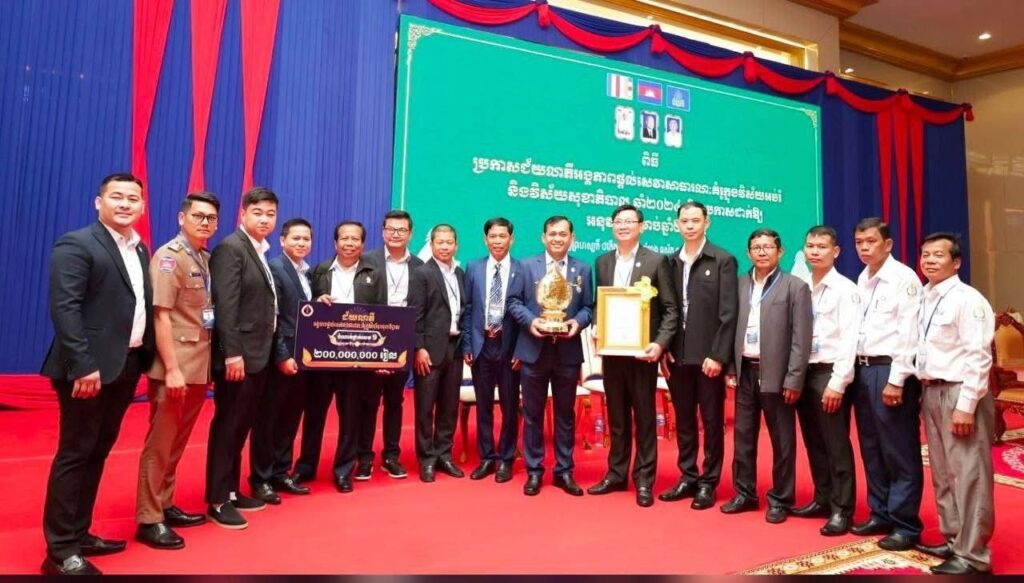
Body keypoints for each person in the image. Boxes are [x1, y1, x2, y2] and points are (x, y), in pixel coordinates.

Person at [40, 173, 155, 575]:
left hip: (124, 365)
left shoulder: (139, 249)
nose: (125, 204)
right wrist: (83, 364)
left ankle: (79, 533)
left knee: (98, 451)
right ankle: (60, 551)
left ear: (142, 206)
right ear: (98, 202)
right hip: (86, 370)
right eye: (117, 197)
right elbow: (65, 308)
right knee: (76, 453)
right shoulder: (77, 243)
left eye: (133, 198)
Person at [135, 192, 220, 550]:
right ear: (181, 218)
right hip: (176, 365)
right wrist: (171, 368)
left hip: (198, 363)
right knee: (160, 444)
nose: (205, 222)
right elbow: (161, 316)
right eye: (198, 216)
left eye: (211, 218)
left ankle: (164, 503)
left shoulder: (204, 257)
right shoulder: (170, 257)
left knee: (177, 442)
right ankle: (148, 518)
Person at [914, 233, 995, 575]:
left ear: (956, 262)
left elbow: (978, 356)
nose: (930, 260)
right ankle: (954, 540)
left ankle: (973, 555)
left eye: (938, 255)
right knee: (944, 471)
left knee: (969, 473)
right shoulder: (926, 295)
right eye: (925, 254)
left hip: (960, 391)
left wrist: (967, 404)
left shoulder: (968, 299)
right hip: (932, 391)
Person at [588, 205, 678, 507]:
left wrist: (660, 344)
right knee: (617, 417)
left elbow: (670, 309)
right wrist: (598, 325)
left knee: (644, 417)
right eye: (618, 221)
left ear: (642, 226)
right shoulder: (602, 262)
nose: (623, 226)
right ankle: (616, 474)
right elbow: (599, 304)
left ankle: (644, 480)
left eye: (629, 221)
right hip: (613, 353)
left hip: (642, 354)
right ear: (612, 226)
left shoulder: (656, 261)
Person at [722, 229, 812, 524]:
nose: (762, 252)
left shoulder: (795, 287)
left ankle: (781, 499)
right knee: (743, 437)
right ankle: (744, 493)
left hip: (778, 373)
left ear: (780, 251)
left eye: (768, 247)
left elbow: (801, 339)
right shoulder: (738, 284)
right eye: (756, 248)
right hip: (745, 370)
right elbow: (730, 329)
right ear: (748, 253)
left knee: (782, 440)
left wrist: (794, 379)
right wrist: (731, 368)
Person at [848, 217, 924, 551]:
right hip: (864, 369)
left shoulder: (903, 279)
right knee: (871, 446)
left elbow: (909, 334)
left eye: (871, 242)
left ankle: (905, 524)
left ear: (888, 244)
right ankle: (880, 512)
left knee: (899, 449)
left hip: (890, 370)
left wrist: (897, 380)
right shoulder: (863, 278)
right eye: (859, 242)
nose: (864, 248)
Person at [205, 187, 279, 530]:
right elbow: (226, 307)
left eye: (270, 214)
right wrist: (232, 353)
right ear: (243, 213)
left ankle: (232, 491)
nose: (264, 219)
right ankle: (218, 500)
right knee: (228, 427)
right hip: (239, 358)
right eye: (258, 213)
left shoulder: (259, 250)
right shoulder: (231, 249)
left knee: (241, 427)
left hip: (257, 356)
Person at [507, 216, 594, 497]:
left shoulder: (583, 269)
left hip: (567, 353)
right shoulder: (525, 266)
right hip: (533, 351)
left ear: (572, 238)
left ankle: (564, 471)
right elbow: (513, 302)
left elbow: (589, 307)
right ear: (543, 237)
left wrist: (577, 323)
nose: (558, 239)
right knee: (532, 414)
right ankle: (534, 471)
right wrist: (531, 321)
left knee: (565, 415)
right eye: (553, 234)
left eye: (563, 234)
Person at [659, 201, 737, 510]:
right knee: (684, 421)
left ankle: (708, 482)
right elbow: (666, 311)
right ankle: (688, 476)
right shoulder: (669, 262)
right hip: (677, 357)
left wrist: (718, 355)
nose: (689, 226)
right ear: (676, 224)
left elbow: (728, 314)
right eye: (684, 221)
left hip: (708, 360)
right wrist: (663, 348)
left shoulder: (722, 260)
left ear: (707, 222)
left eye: (695, 220)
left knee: (712, 422)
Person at [307, 221, 387, 493]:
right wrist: (317, 303)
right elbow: (308, 312)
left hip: (356, 359)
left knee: (351, 417)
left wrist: (378, 358)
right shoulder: (319, 271)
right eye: (344, 238)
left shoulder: (374, 274)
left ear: (363, 244)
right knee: (314, 415)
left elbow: (382, 317)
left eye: (355, 239)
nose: (349, 243)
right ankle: (306, 466)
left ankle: (343, 470)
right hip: (321, 357)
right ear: (335, 242)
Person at [790, 225, 860, 536]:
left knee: (836, 444)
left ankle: (842, 509)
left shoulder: (846, 290)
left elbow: (850, 339)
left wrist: (838, 382)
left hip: (830, 373)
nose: (815, 252)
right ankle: (822, 498)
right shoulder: (800, 285)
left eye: (822, 247)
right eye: (810, 246)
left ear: (836, 251)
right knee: (814, 440)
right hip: (803, 372)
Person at [247, 218, 315, 503]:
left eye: (306, 239)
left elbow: (303, 314)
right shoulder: (275, 268)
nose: (301, 243)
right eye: (296, 238)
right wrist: (282, 356)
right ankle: (260, 478)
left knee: (289, 418)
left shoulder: (305, 273)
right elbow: (272, 318)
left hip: (303, 358)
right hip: (281, 358)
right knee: (268, 420)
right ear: (282, 240)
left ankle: (280, 472)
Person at [356, 210, 424, 480]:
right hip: (371, 342)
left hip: (403, 344)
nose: (396, 234)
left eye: (402, 230)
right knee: (368, 401)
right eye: (391, 229)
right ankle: (364, 457)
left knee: (395, 401)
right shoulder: (366, 261)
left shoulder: (420, 266)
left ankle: (391, 457)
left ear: (411, 234)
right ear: (383, 231)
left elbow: (422, 309)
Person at [460, 218, 524, 482]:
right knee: (483, 405)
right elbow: (468, 309)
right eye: (493, 236)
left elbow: (525, 312)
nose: (497, 241)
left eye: (502, 236)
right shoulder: (474, 267)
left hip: (509, 348)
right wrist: (467, 344)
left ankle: (506, 459)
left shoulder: (522, 269)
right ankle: (487, 457)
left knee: (510, 406)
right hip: (481, 345)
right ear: (485, 239)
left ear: (511, 239)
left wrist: (521, 350)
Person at [409, 224, 467, 482]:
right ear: (431, 244)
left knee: (449, 406)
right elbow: (416, 314)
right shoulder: (422, 273)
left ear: (456, 245)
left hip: (455, 348)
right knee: (425, 408)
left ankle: (444, 454)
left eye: (449, 242)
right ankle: (427, 459)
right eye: (440, 242)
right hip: (429, 351)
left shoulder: (460, 273)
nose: (445, 247)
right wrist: (419, 347)